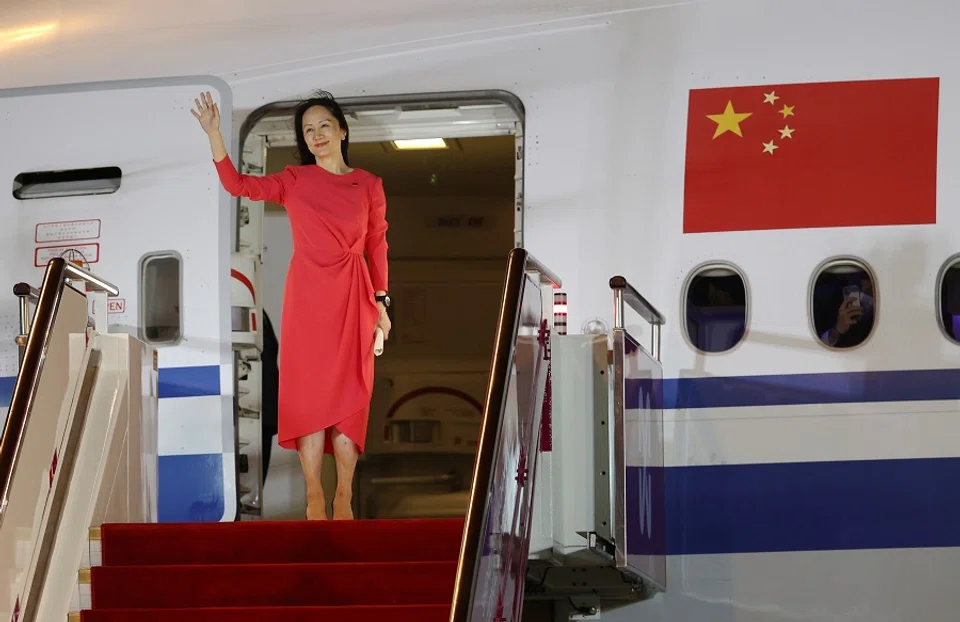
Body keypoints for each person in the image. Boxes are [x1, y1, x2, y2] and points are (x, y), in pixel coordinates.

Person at [190, 90, 392, 521]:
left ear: (342, 130)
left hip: (355, 298)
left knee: (351, 397)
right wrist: (214, 136)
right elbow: (237, 185)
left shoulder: (369, 184)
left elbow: (378, 245)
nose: (316, 135)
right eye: (308, 130)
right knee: (310, 398)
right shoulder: (294, 180)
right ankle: (315, 493)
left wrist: (382, 305)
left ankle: (344, 497)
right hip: (308, 300)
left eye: (323, 126)